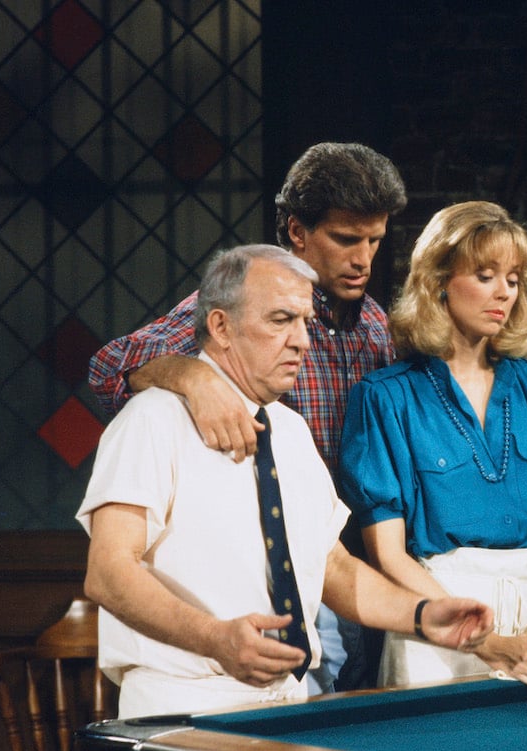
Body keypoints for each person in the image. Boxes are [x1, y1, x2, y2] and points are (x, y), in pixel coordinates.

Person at [78, 244, 492, 718]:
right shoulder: (152, 418)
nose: (301, 341)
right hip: (183, 705)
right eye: (280, 320)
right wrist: (215, 638)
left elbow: (332, 566)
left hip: (288, 704)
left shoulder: (291, 430)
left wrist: (420, 616)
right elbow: (108, 573)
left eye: (305, 323)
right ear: (220, 327)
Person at [88, 142, 405, 694]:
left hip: (347, 563)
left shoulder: (377, 327)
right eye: (347, 239)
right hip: (260, 579)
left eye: (374, 241)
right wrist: (190, 375)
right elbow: (110, 366)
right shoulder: (250, 300)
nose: (364, 259)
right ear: (298, 232)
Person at [338, 201, 527, 689]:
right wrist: (490, 644)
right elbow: (388, 556)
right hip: (436, 636)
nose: (504, 293)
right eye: (485, 275)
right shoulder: (386, 398)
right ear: (437, 281)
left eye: (514, 279)